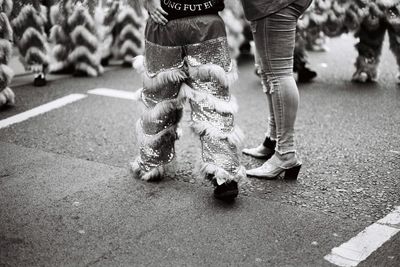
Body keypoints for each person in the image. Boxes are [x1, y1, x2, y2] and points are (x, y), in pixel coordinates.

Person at [130, 0, 246, 201]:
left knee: (159, 99)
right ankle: (223, 173)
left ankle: (152, 161)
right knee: (212, 100)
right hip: (205, 22)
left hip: (164, 19)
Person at [240, 0, 312, 180]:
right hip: (270, 5)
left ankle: (286, 153)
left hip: (274, 4)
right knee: (267, 71)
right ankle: (273, 140)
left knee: (278, 73)